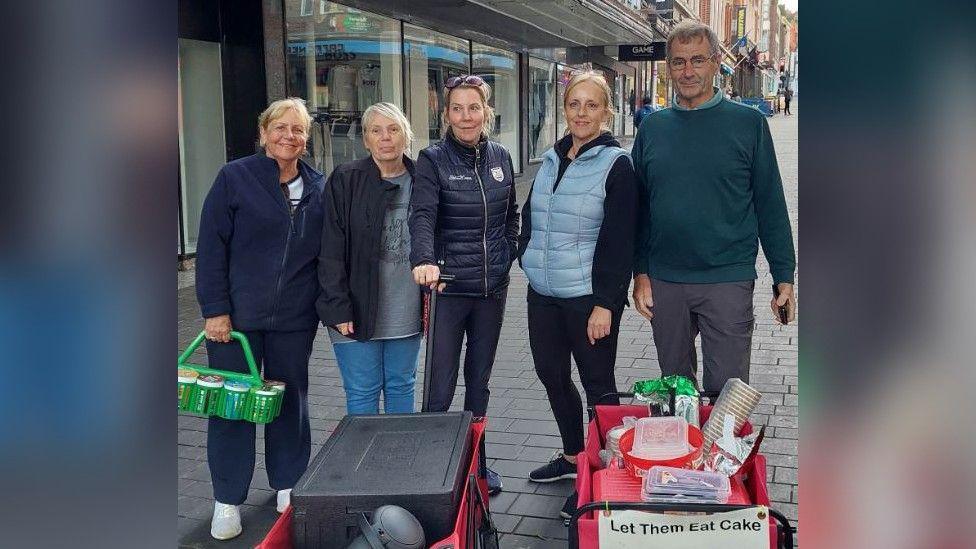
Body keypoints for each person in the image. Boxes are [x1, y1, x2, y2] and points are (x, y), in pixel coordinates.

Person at [631, 21, 797, 395]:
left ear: (716, 62)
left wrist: (783, 276)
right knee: (676, 392)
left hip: (727, 278)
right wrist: (640, 272)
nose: (688, 71)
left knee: (727, 393)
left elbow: (770, 202)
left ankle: (724, 456)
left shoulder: (749, 124)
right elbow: (639, 209)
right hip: (666, 280)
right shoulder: (652, 129)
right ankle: (682, 454)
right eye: (678, 62)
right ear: (668, 67)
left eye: (698, 60)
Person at [196, 98, 324, 540]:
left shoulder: (317, 185)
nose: (289, 136)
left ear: (307, 138)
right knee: (232, 405)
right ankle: (227, 498)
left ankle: (288, 483)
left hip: (294, 317)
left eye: (298, 130)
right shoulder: (235, 178)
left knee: (290, 402)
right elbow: (211, 248)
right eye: (281, 127)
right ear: (264, 131)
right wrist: (215, 309)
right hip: (236, 321)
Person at [517, 70, 638, 520]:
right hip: (543, 292)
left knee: (599, 388)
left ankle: (600, 478)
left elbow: (620, 240)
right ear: (564, 109)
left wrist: (607, 302)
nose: (581, 113)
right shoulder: (552, 157)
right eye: (574, 104)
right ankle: (572, 457)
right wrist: (524, 253)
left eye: (591, 105)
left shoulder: (616, 165)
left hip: (588, 298)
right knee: (550, 374)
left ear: (606, 111)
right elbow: (530, 214)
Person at [409, 75, 519, 496]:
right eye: (457, 108)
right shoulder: (433, 159)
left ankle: (478, 468)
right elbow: (422, 215)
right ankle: (431, 475)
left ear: (486, 111)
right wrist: (423, 259)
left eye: (474, 107)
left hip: (491, 291)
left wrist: (508, 252)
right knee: (439, 387)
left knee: (479, 383)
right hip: (448, 290)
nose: (466, 116)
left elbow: (512, 214)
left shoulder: (502, 156)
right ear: (446, 114)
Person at [317, 102, 422, 415]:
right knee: (362, 393)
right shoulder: (345, 179)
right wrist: (337, 306)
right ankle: (364, 464)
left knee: (402, 387)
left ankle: (397, 462)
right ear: (365, 139)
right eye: (376, 130)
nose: (385, 137)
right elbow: (330, 248)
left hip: (406, 310)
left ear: (406, 136)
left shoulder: (423, 179)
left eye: (393, 130)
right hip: (355, 310)